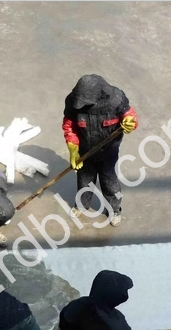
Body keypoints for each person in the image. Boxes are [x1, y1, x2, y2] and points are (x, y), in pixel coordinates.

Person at [62, 75, 138, 227]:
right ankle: (81, 205)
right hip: (85, 151)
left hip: (109, 151)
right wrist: (73, 150)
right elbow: (69, 126)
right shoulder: (73, 102)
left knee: (109, 181)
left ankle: (114, 210)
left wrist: (130, 122)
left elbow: (130, 115)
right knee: (84, 180)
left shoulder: (116, 100)